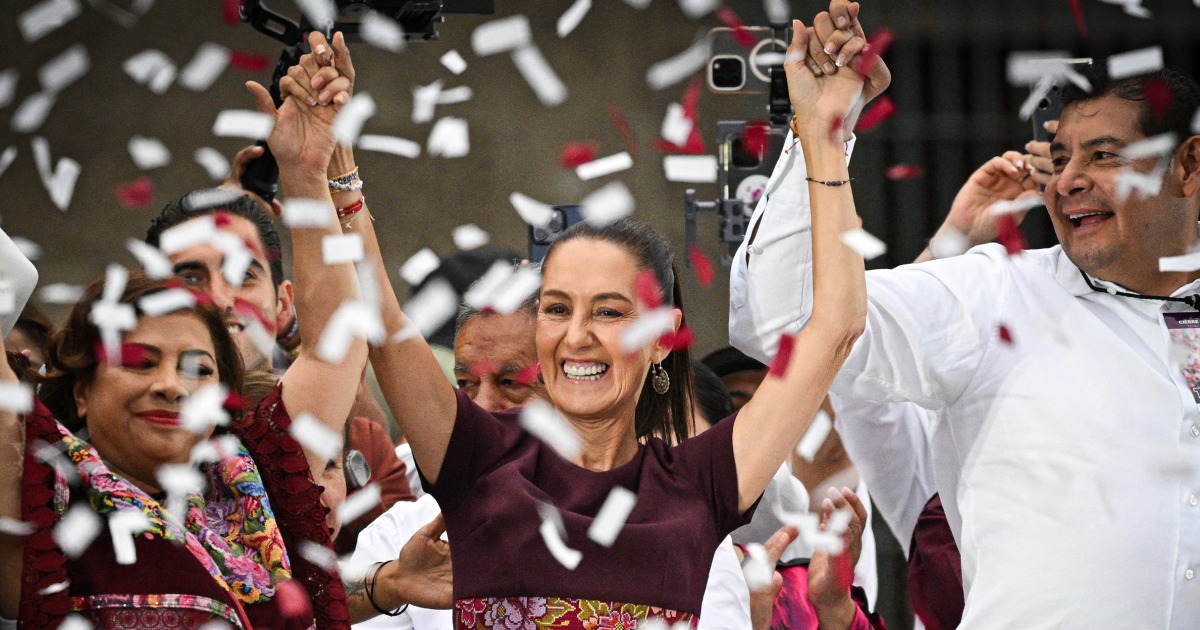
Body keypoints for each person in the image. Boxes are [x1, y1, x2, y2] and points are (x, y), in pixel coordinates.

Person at [292, 21, 872, 627]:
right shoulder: (478, 456)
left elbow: (834, 327)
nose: (576, 337)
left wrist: (825, 131)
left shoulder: (702, 481)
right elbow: (380, 316)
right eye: (557, 308)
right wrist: (336, 173)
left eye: (610, 312)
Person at [731, 9, 1200, 623]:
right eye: (1058, 161)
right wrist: (823, 132)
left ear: (1189, 165)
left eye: (1105, 156)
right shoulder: (992, 298)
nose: (1068, 182)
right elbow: (782, 322)